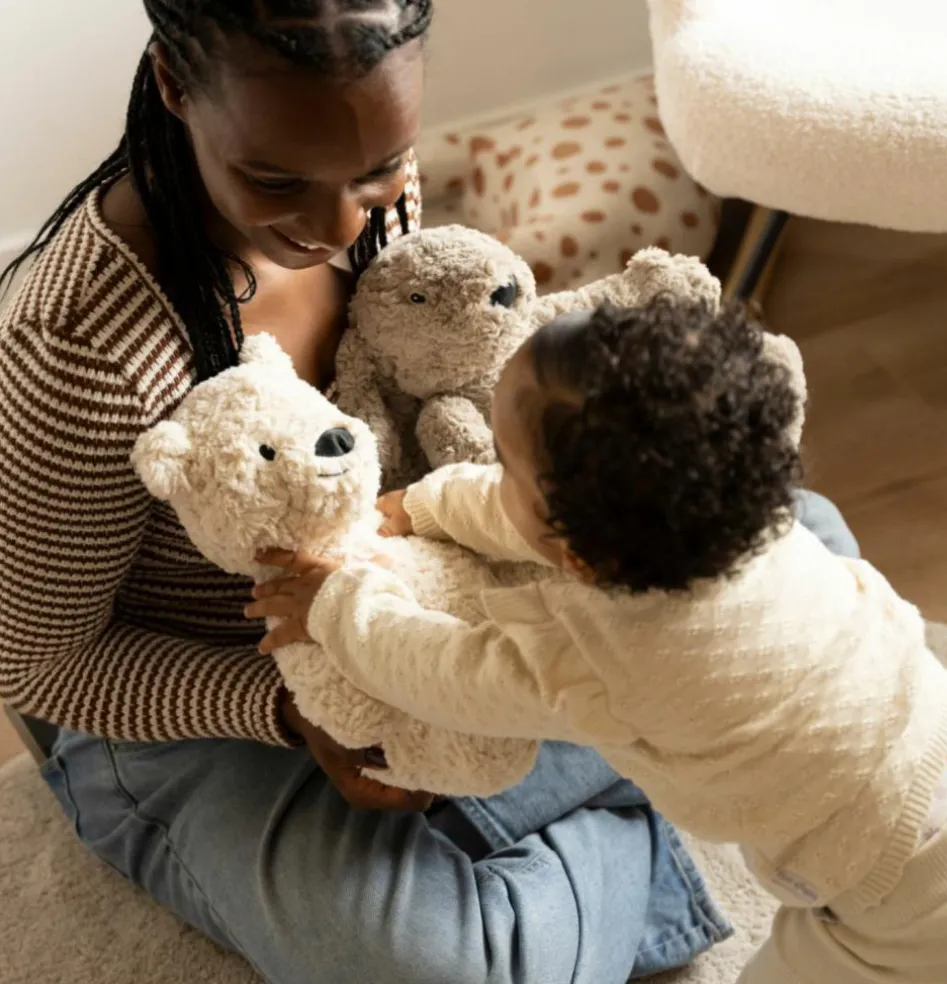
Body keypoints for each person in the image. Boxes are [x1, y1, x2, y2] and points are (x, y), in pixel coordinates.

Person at [0, 3, 855, 981]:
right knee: (435, 967)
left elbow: (455, 403)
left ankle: (568, 800)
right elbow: (39, 668)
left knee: (804, 547)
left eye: (379, 168)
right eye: (274, 179)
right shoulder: (72, 350)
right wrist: (297, 716)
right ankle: (650, 791)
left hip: (405, 588)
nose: (334, 227)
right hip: (205, 701)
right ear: (174, 87)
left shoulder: (379, 215)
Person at [249, 299, 947, 984]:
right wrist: (419, 505)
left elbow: (443, 669)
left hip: (901, 898)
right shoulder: (757, 523)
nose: (489, 475)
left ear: (579, 555)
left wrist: (337, 602)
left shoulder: (605, 662)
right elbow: (527, 519)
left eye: (504, 464)